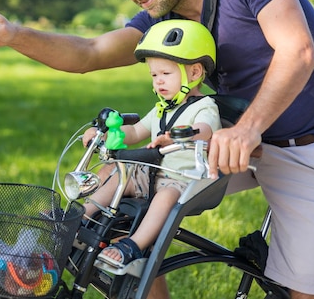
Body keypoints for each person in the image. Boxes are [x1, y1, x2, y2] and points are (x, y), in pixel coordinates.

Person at [0, 0, 314, 299]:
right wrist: (13, 34)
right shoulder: (163, 18)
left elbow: (298, 51)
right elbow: (90, 51)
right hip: (219, 140)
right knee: (118, 205)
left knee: (308, 292)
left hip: (308, 145)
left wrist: (247, 129)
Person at [81, 20, 222, 268]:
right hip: (153, 173)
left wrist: (180, 135)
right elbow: (135, 130)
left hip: (184, 180)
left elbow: (206, 131)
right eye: (154, 75)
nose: (158, 82)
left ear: (195, 72)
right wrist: (103, 134)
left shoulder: (204, 107)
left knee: (165, 197)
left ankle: (134, 244)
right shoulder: (161, 109)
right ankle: (82, 216)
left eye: (166, 74)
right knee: (116, 173)